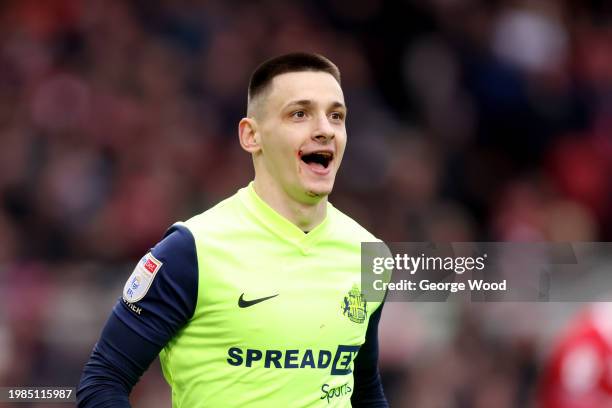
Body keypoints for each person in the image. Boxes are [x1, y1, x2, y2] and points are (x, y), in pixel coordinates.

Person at [77, 52, 388, 407]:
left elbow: (364, 389)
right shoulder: (190, 251)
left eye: (336, 116)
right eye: (299, 114)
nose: (324, 129)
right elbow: (102, 382)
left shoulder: (369, 254)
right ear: (251, 135)